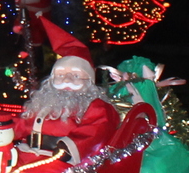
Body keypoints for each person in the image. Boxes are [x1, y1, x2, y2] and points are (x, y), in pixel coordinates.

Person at [10, 16, 117, 164]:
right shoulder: (43, 102)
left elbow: (96, 131)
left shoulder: (97, 107)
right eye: (60, 75)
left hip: (64, 163)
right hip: (26, 155)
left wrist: (69, 148)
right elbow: (22, 124)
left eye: (75, 75)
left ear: (89, 81)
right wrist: (1, 126)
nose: (66, 80)